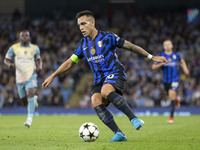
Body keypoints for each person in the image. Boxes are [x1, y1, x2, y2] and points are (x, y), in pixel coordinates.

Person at [42, 10, 167, 142]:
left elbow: (130, 46)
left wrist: (151, 57)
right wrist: (53, 75)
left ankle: (134, 118)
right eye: (79, 25)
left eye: (83, 24)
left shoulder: (108, 37)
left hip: (115, 72)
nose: (81, 28)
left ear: (92, 22)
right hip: (99, 79)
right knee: (95, 100)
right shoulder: (83, 45)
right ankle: (119, 134)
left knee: (106, 91)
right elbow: (69, 62)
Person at [4, 30, 42, 128]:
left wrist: (40, 66)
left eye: (26, 36)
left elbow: (38, 59)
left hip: (31, 76)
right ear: (19, 38)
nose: (24, 37)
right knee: (24, 101)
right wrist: (10, 64)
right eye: (22, 36)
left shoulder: (35, 48)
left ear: (29, 37)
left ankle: (29, 119)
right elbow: (6, 59)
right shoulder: (14, 48)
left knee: (30, 93)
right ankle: (34, 100)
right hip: (20, 78)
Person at [152, 40, 189, 123]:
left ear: (172, 46)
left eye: (169, 44)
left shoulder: (177, 55)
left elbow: (182, 62)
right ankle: (177, 99)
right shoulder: (161, 56)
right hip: (166, 80)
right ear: (163, 46)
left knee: (172, 94)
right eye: (165, 45)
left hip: (175, 79)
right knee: (170, 96)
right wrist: (161, 63)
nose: (167, 46)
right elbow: (153, 67)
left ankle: (171, 117)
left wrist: (185, 69)